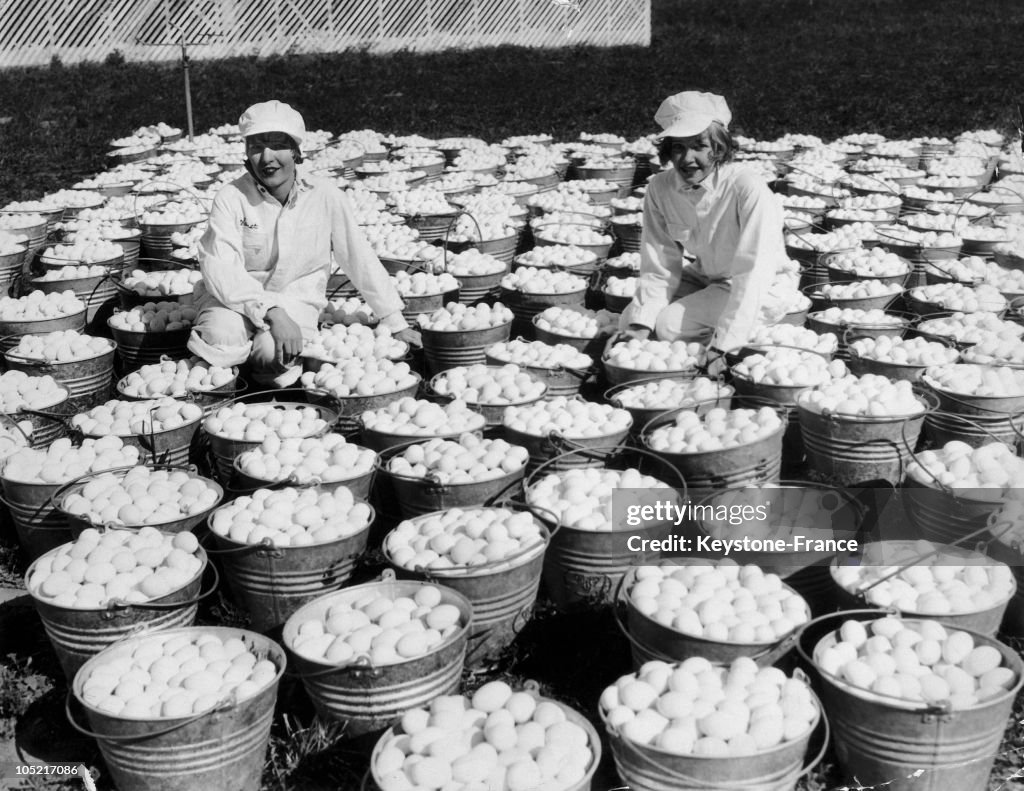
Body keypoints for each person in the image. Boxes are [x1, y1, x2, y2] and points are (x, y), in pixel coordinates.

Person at [187, 99, 419, 387]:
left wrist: (395, 321)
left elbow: (358, 257)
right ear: (246, 154)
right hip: (235, 299)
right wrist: (271, 311)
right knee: (221, 333)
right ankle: (226, 384)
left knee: (271, 350)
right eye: (256, 146)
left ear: (297, 152)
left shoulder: (324, 196)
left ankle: (261, 387)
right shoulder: (231, 198)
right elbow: (220, 267)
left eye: (277, 145)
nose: (267, 157)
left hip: (296, 300)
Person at [616, 91, 790, 375]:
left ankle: (740, 343)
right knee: (632, 321)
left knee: (669, 326)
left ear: (719, 148)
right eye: (678, 148)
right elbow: (659, 266)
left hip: (762, 284)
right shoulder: (660, 189)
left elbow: (755, 269)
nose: (688, 159)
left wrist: (725, 344)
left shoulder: (746, 188)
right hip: (709, 275)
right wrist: (638, 326)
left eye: (699, 146)